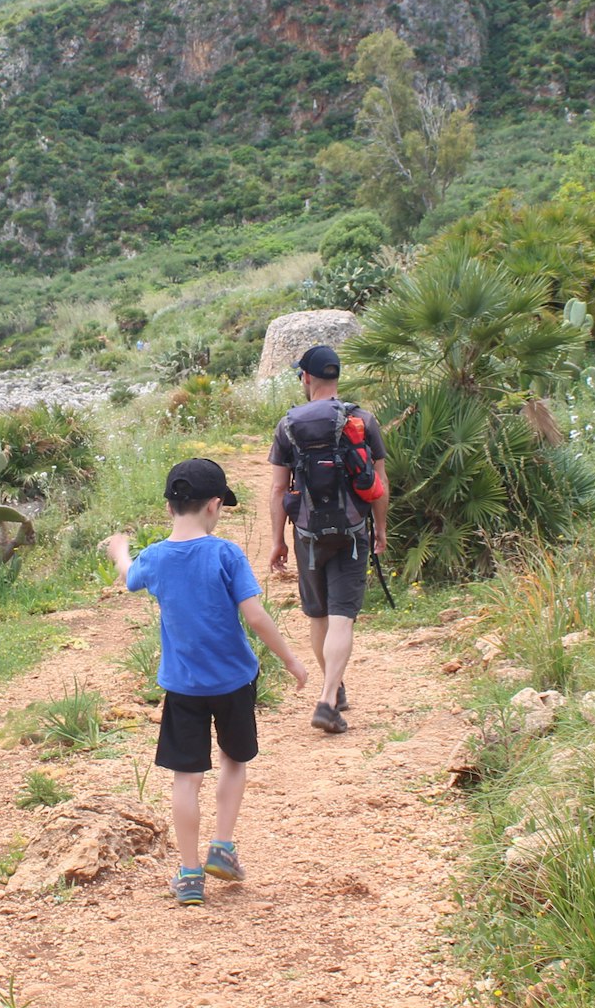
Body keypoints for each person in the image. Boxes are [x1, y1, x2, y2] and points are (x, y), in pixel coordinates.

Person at [104, 457, 308, 907]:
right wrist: (291, 660)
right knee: (235, 760)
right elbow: (254, 615)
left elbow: (131, 577)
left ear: (169, 507)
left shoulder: (155, 557)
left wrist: (120, 550)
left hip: (182, 685)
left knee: (186, 778)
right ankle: (224, 847)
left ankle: (190, 874)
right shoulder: (226, 553)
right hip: (234, 680)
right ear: (214, 505)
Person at [266, 344, 387, 735]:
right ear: (335, 377)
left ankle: (330, 691)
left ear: (307, 378)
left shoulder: (287, 425)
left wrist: (277, 541)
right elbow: (379, 485)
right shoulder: (362, 420)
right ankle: (328, 697)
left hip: (307, 533)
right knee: (342, 618)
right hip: (352, 532)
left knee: (318, 615)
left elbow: (276, 489)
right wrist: (380, 529)